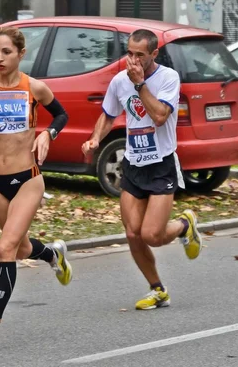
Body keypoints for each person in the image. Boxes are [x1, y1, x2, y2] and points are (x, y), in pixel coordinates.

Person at [0, 26, 73, 341]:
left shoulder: (35, 88)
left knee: (6, 246)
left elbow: (61, 116)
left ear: (21, 54)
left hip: (27, 178)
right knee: (20, 246)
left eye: (6, 52)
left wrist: (49, 133)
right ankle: (52, 255)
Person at [81, 29, 202, 311]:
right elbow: (108, 114)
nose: (132, 60)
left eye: (140, 55)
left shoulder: (168, 78)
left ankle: (185, 225)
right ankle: (157, 289)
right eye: (129, 53)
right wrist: (96, 138)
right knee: (133, 233)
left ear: (154, 54)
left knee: (152, 236)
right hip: (133, 163)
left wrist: (139, 85)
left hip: (161, 164)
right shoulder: (119, 81)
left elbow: (160, 116)